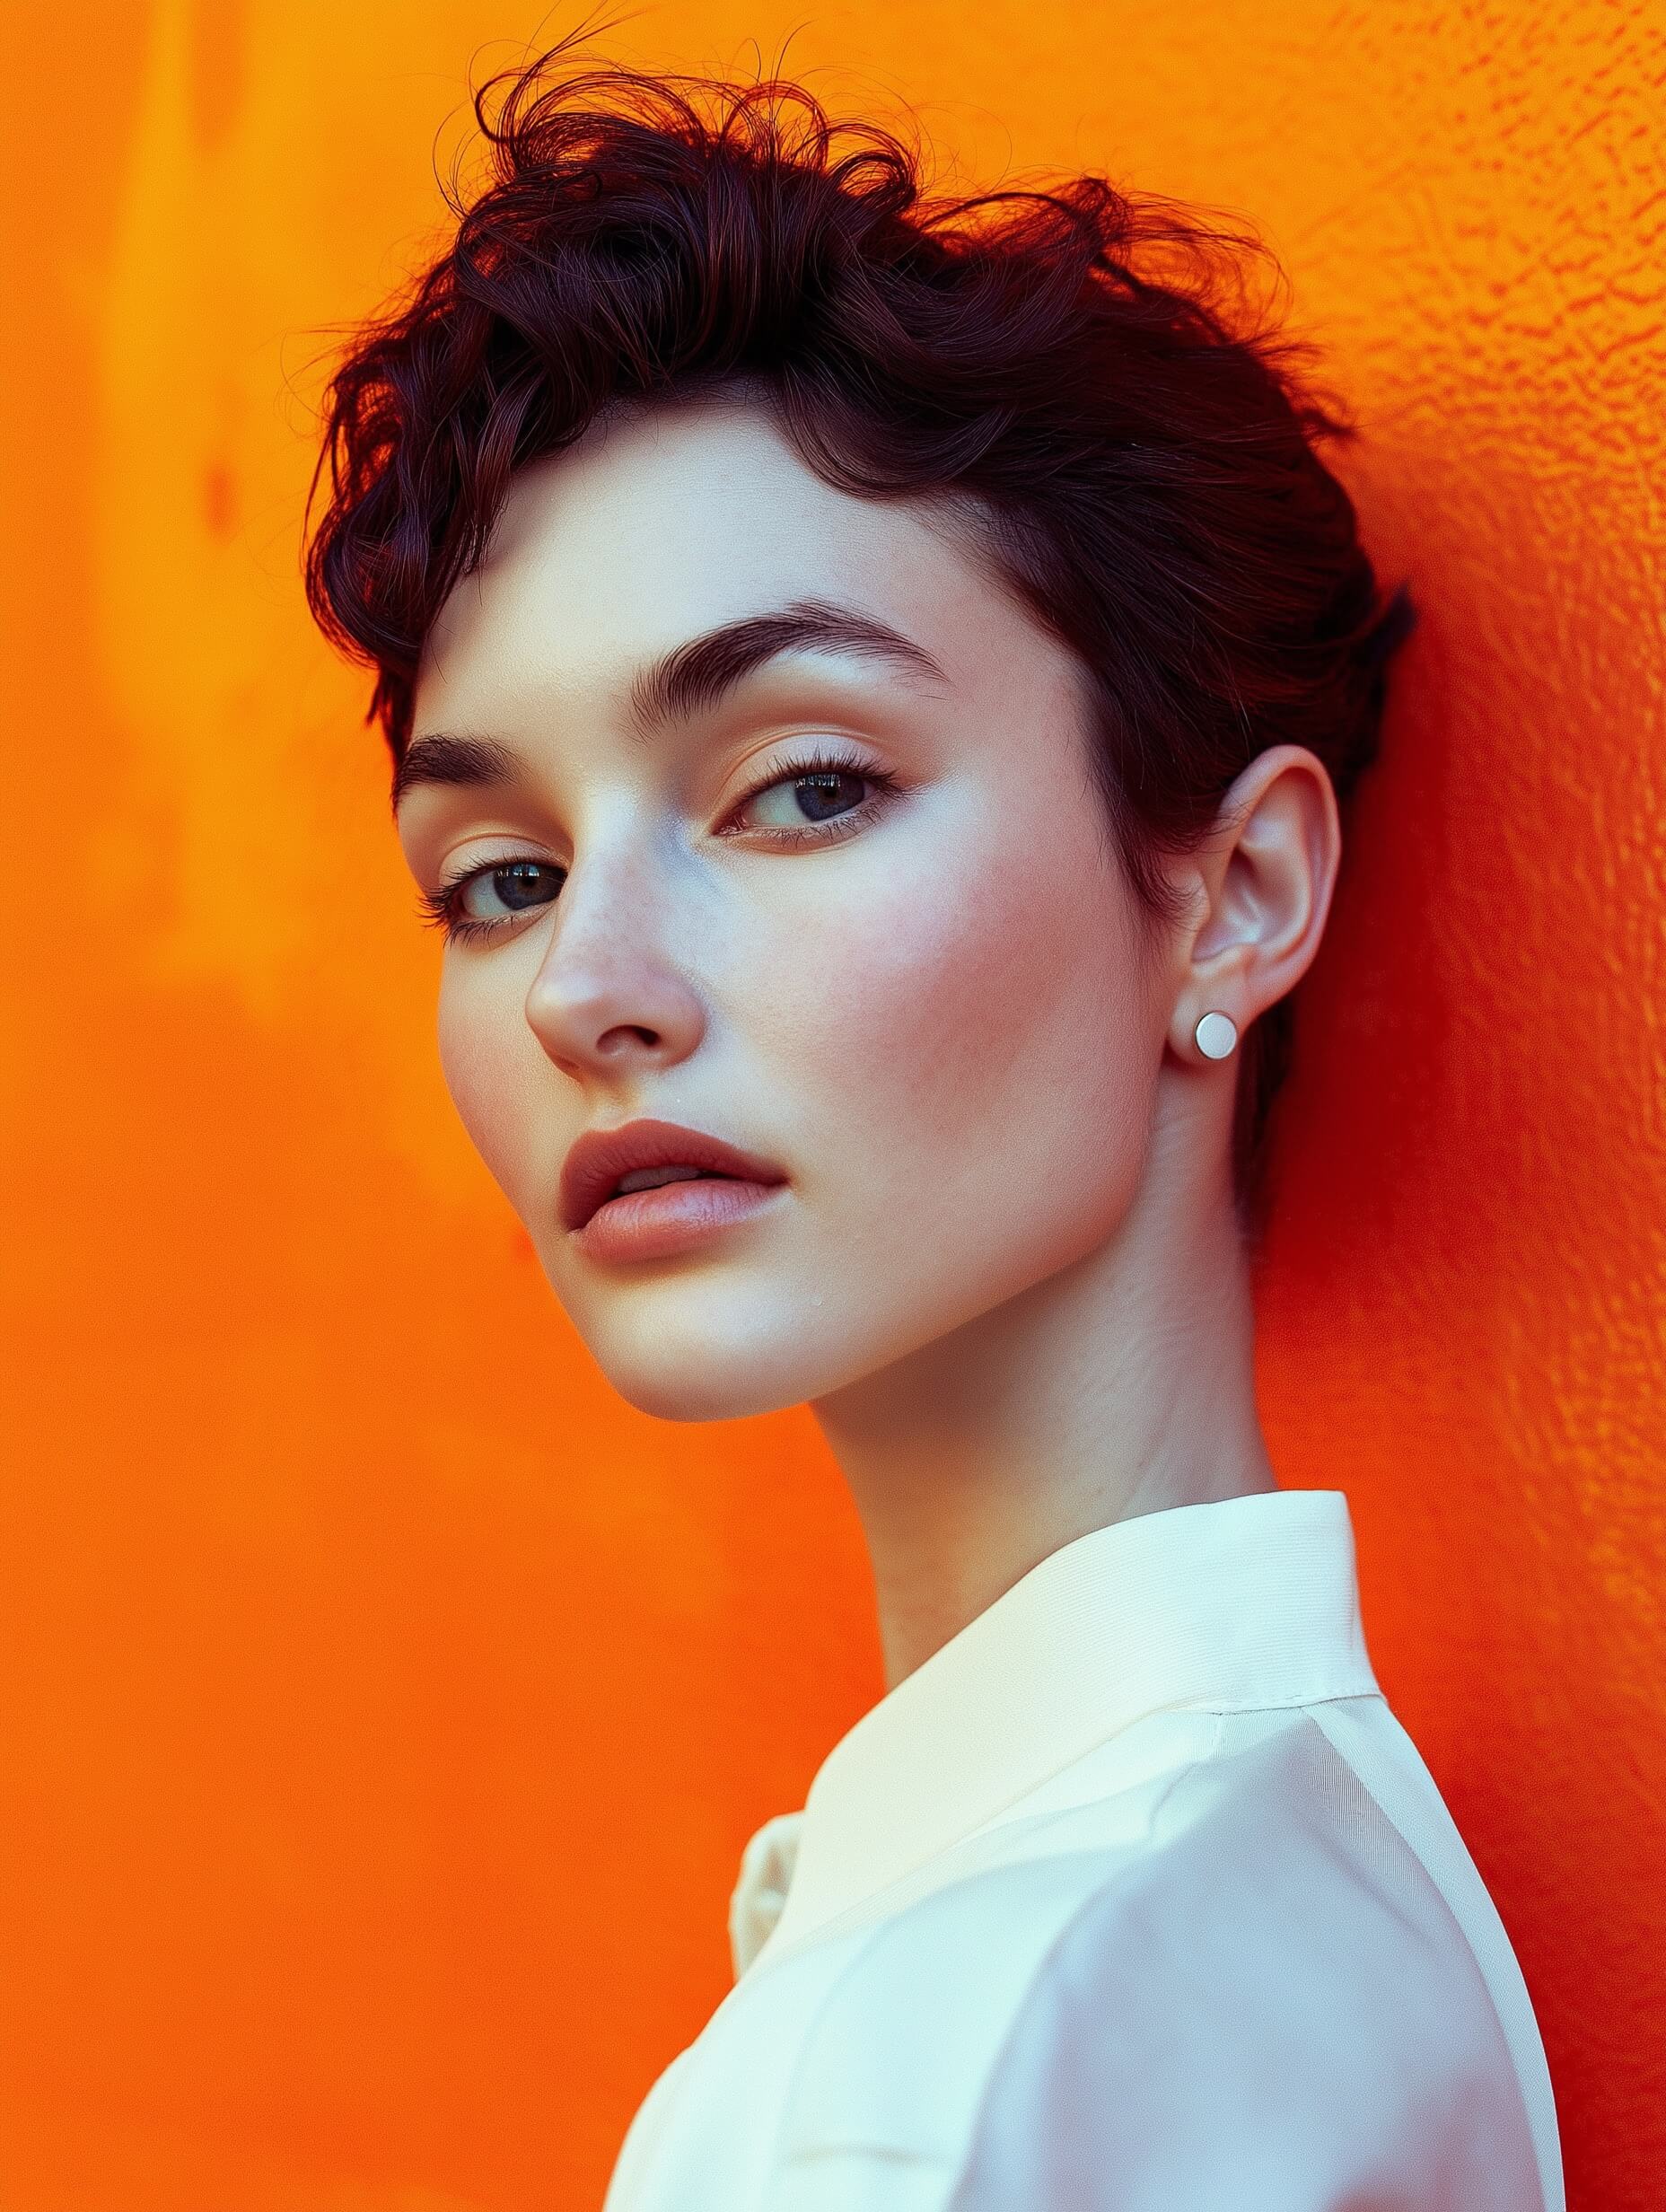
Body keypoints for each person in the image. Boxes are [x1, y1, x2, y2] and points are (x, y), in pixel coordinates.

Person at [302, 40, 1563, 2212]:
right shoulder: (1260, 1909)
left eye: (803, 784)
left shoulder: (989, 2047)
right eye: (496, 873)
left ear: (1236, 890)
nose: (590, 980)